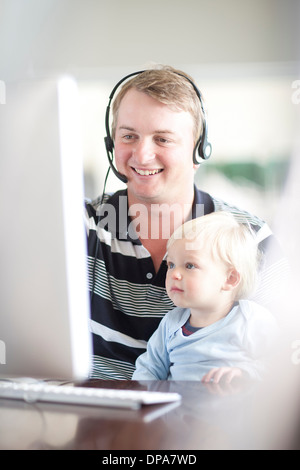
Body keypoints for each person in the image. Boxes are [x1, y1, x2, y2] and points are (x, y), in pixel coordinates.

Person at [84, 64, 287, 380]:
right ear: (112, 145)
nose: (142, 154)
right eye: (128, 136)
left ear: (199, 150)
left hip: (205, 422)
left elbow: (288, 359)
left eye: (162, 139)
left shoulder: (253, 238)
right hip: (92, 416)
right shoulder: (78, 226)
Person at [132, 212, 279, 382]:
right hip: (177, 407)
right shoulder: (172, 323)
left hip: (230, 407)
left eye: (190, 265)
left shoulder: (251, 319)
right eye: (171, 264)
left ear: (230, 279)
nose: (174, 274)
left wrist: (245, 374)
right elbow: (149, 369)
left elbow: (279, 365)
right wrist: (143, 397)